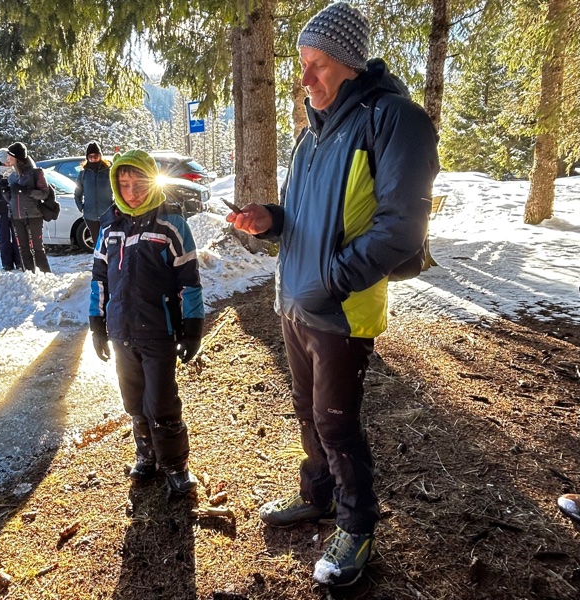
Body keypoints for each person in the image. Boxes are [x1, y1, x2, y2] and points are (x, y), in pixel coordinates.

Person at [227, 2, 439, 587]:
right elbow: (303, 218)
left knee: (336, 424)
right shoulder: (312, 134)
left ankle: (356, 525)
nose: (305, 77)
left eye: (317, 64)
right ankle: (316, 496)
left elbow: (402, 228)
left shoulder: (393, 120)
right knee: (307, 412)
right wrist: (269, 221)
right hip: (295, 303)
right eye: (302, 63)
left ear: (350, 63)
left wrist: (331, 278)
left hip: (342, 308)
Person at [89, 149, 205, 495]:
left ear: (151, 181)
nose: (132, 193)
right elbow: (99, 279)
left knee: (162, 402)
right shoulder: (110, 226)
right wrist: (97, 325)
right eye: (124, 185)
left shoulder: (171, 224)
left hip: (159, 330)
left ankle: (175, 465)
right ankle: (147, 455)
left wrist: (192, 328)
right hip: (121, 331)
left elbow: (189, 281)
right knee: (134, 400)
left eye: (138, 184)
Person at [4, 141, 51, 273]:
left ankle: (46, 275)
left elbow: (44, 194)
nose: (8, 159)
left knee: (37, 248)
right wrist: (5, 191)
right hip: (16, 216)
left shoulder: (36, 173)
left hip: (34, 215)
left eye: (10, 156)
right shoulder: (12, 176)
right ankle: (29, 275)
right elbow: (11, 200)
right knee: (23, 248)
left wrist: (26, 191)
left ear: (17, 157)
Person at [74, 140, 113, 245]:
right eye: (90, 157)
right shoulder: (83, 174)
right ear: (87, 158)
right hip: (90, 216)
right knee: (97, 243)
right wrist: (82, 208)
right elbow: (77, 194)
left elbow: (116, 191)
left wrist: (113, 207)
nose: (93, 159)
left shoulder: (108, 172)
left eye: (96, 156)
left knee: (109, 242)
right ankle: (98, 256)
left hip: (107, 214)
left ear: (100, 156)